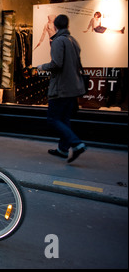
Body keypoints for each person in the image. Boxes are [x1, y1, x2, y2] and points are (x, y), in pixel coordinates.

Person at [37, 14, 87, 163]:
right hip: (73, 88)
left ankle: (76, 144)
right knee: (64, 119)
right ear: (68, 26)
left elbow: (56, 64)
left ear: (55, 26)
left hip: (61, 88)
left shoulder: (59, 41)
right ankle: (63, 149)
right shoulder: (73, 41)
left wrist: (42, 67)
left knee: (52, 119)